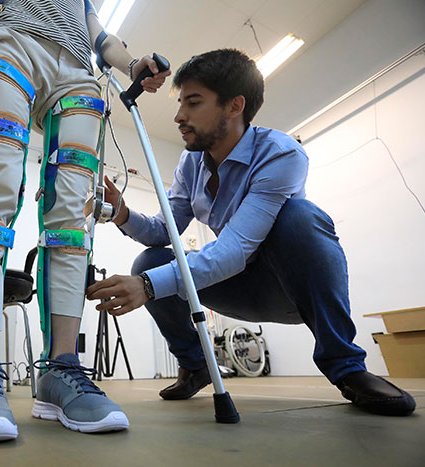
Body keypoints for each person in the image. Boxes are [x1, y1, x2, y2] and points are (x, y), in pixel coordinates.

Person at [86, 48, 416, 417]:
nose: (179, 116)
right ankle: (196, 365)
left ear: (234, 105)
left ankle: (347, 367)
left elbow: (235, 249)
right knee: (150, 261)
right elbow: (165, 232)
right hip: (232, 287)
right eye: (180, 103)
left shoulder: (280, 153)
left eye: (193, 103)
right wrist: (123, 213)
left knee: (300, 217)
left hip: (286, 289)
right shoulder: (191, 162)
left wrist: (147, 287)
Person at [0, 0, 170, 442]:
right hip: (15, 42)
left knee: (73, 223)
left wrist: (132, 64)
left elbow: (98, 33)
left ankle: (61, 369)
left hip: (78, 73)